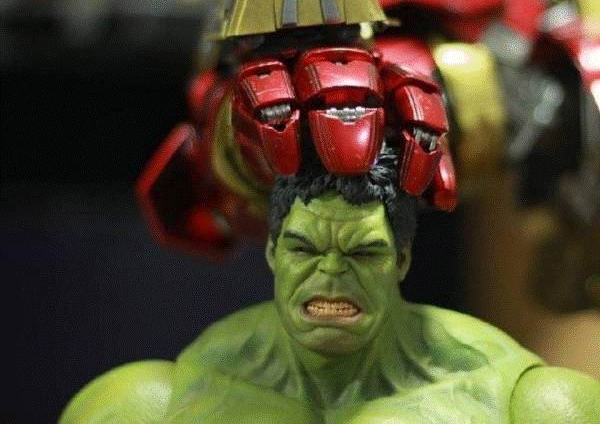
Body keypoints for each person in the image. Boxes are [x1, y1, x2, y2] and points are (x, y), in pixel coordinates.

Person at [60, 147, 600, 423]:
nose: (332, 274)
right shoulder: (158, 405)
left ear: (401, 260)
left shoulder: (521, 404)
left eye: (363, 253)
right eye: (304, 249)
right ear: (272, 253)